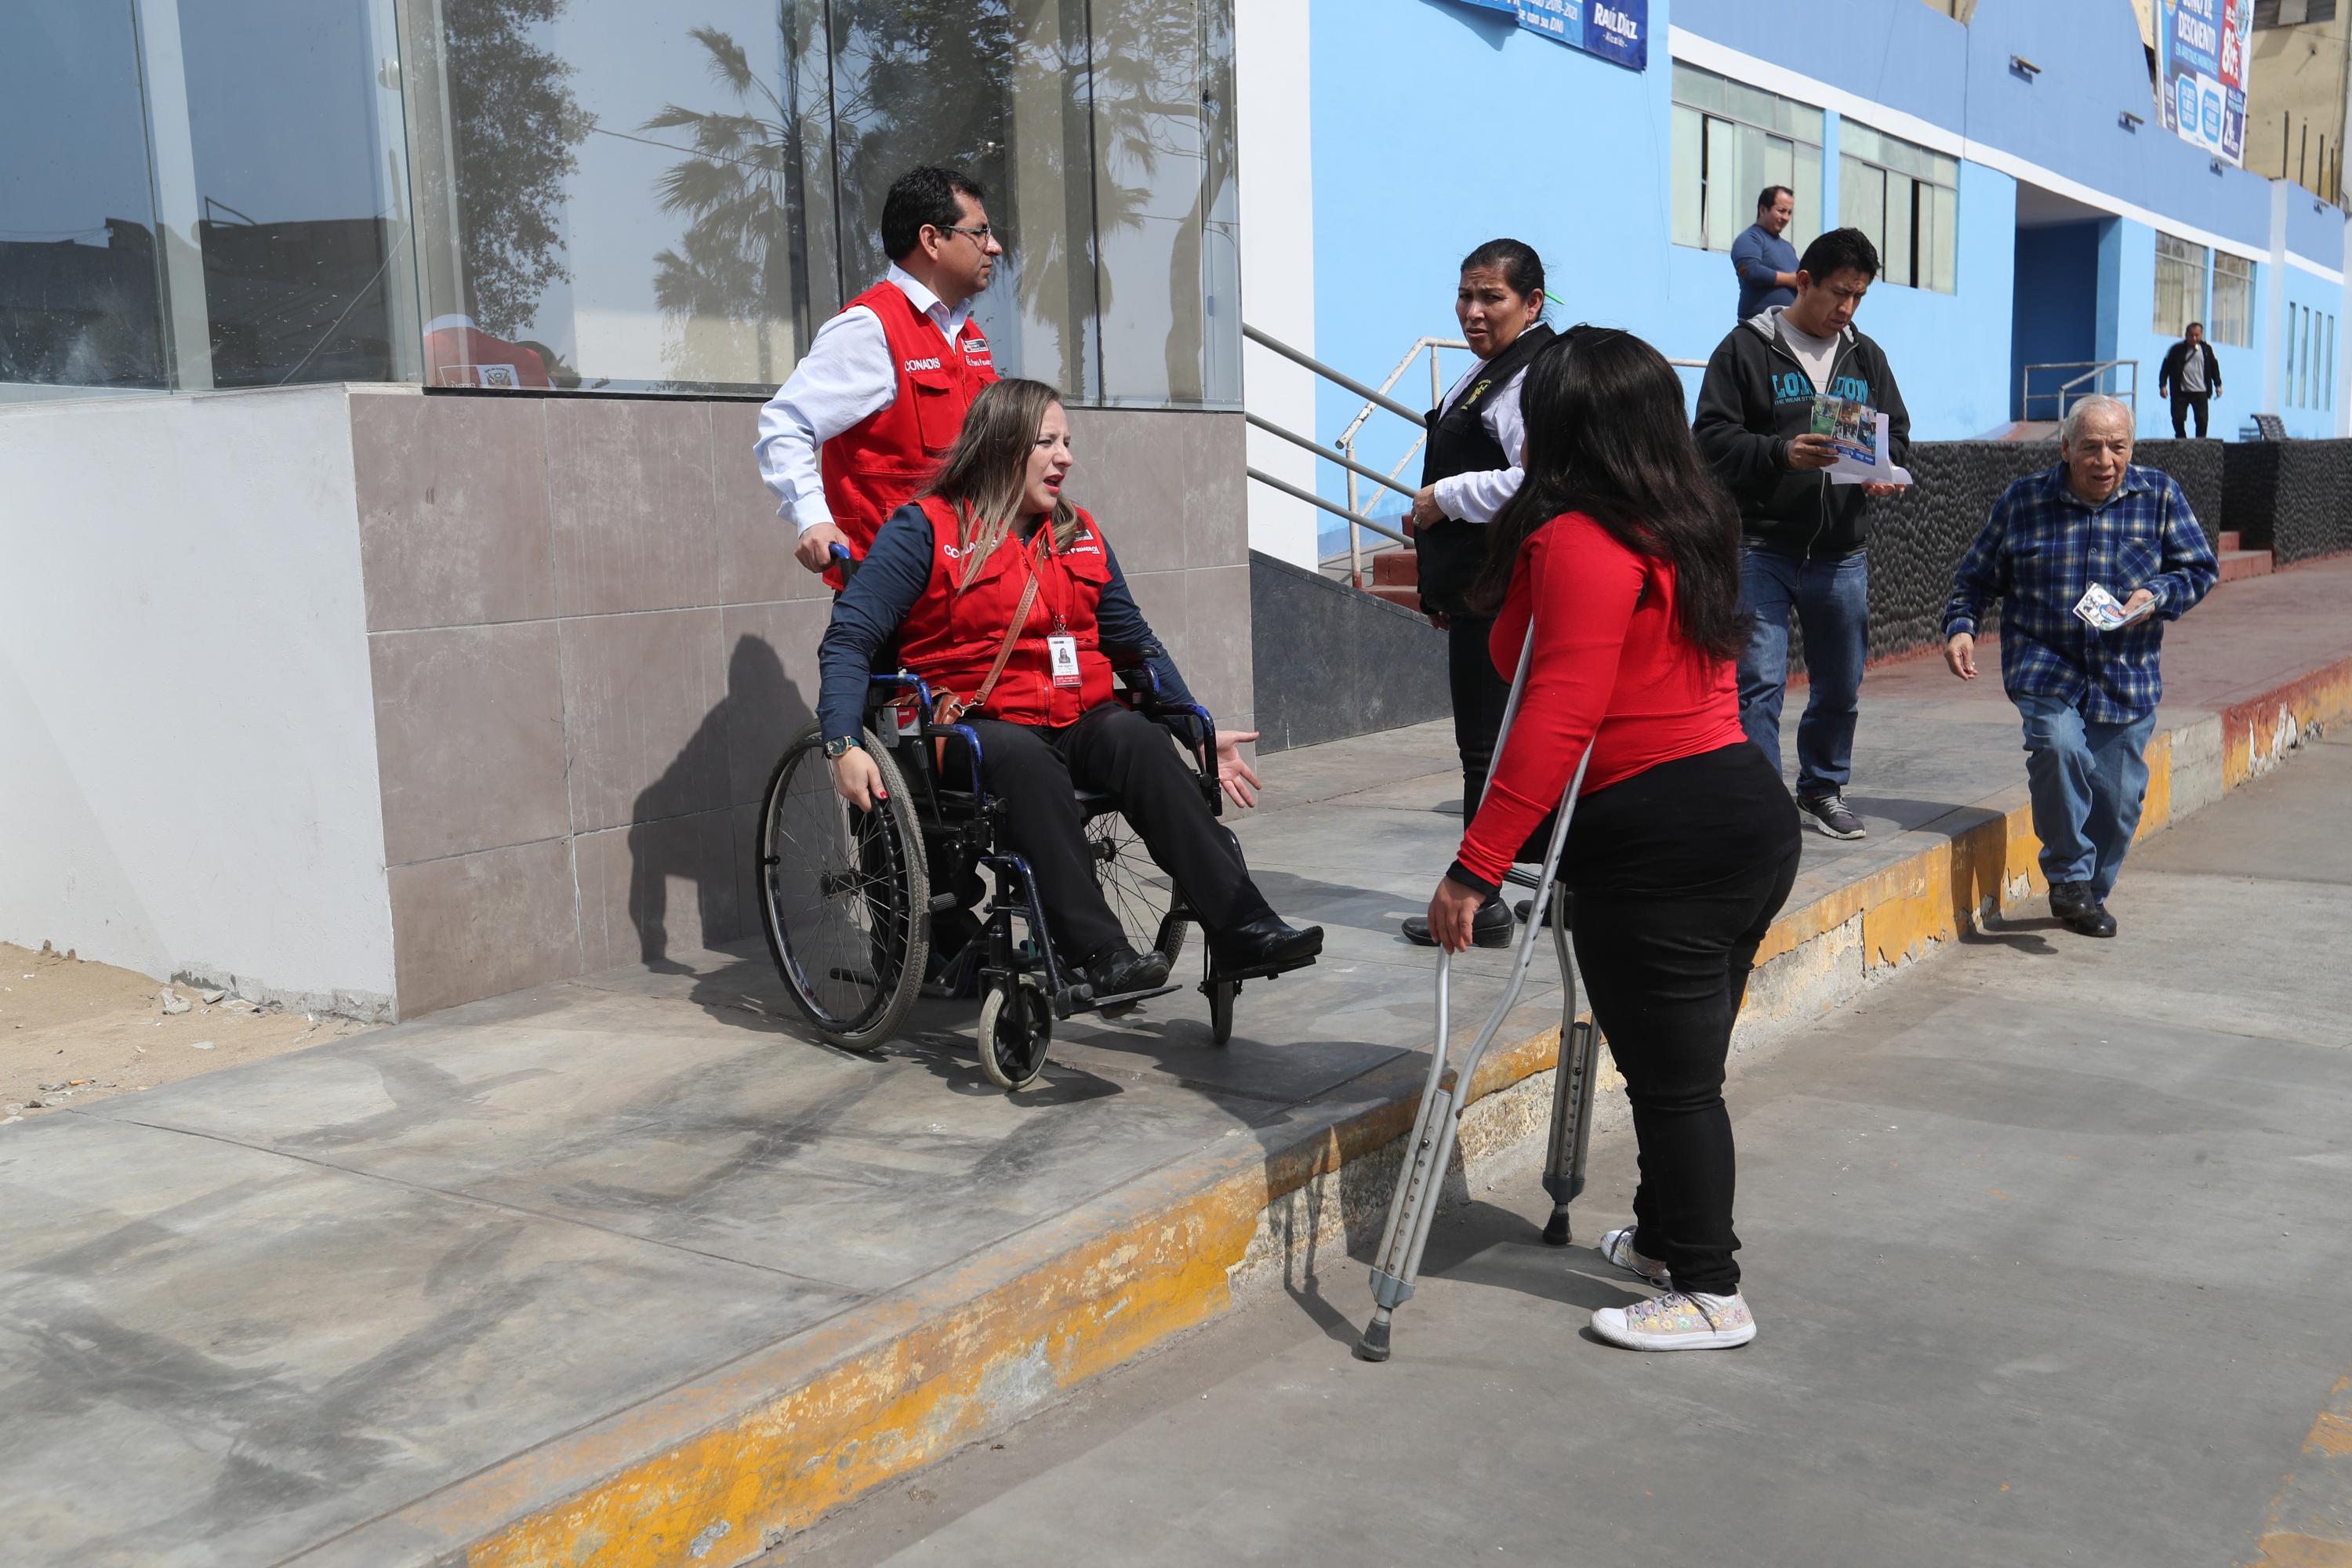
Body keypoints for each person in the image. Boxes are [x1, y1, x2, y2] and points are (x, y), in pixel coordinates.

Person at [1423, 326, 1801, 1352]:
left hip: (1658, 840)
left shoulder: (1576, 540)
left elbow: (1556, 713)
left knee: (1677, 1082)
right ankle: (1668, 1238)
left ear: (1560, 424)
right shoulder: (1695, 522)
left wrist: (1475, 868)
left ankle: (1710, 1292)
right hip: (1745, 815)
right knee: (1684, 1062)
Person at [817, 377, 1323, 996]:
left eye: (1068, 442)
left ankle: (1245, 926)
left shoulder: (1077, 532)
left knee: (1136, 740)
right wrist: (843, 744)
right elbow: (850, 640)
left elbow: (1135, 645)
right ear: (1003, 447)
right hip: (970, 727)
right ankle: (1100, 951)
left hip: (1073, 716)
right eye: (1048, 442)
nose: (1066, 457)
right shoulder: (926, 528)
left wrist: (1195, 729)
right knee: (1023, 759)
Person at [1940, 394, 2216, 938]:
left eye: (2117, 447)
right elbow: (1974, 578)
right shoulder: (2024, 501)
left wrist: (2156, 595)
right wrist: (1961, 627)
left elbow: (2199, 569)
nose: (2105, 460)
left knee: (2118, 803)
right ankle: (2068, 878)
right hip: (2046, 663)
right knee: (2058, 746)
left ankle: (2088, 890)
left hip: (2125, 672)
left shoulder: (2159, 495)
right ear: (2065, 449)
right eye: (2090, 447)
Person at [1694, 226, 1911, 842]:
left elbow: (1896, 433)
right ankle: (1761, 806)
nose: (1846, 308)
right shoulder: (1744, 349)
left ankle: (1821, 787)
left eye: (1859, 297)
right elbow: (1709, 438)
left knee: (1840, 683)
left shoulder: (1865, 356)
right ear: (1805, 282)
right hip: (1759, 543)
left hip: (1842, 552)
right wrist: (1779, 454)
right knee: (1757, 682)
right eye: (1839, 292)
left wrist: (1884, 473)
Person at [1399, 239, 1556, 949]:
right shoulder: (1489, 372)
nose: (1472, 311)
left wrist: (1444, 498)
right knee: (1504, 745)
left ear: (1533, 304)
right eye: (1466, 296)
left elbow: (1536, 480)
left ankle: (1482, 898)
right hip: (1477, 592)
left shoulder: (1527, 379)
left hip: (1505, 594)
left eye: (1491, 298)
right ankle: (1547, 887)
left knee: (1486, 752)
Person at [756, 165, 1004, 579]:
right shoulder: (870, 326)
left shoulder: (966, 333)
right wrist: (812, 516)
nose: (993, 247)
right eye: (979, 233)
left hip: (967, 584)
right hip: (892, 595)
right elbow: (785, 424)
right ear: (931, 240)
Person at [1729, 185, 1799, 322]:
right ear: (1763, 209)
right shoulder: (1750, 238)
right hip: (1759, 327)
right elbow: (1750, 271)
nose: (1786, 217)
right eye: (1781, 211)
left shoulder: (1788, 248)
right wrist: (1791, 280)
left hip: (1789, 328)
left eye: (1789, 213)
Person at [2158, 321, 2223, 439]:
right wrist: (2163, 385)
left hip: (2200, 391)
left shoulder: (2207, 349)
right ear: (2186, 335)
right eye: (2191, 335)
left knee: (2202, 419)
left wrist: (2218, 385)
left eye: (2197, 335)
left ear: (2201, 335)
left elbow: (2214, 367)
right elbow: (2165, 368)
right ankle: (2181, 441)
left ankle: (2200, 442)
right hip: (2180, 392)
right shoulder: (2176, 350)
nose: (2194, 338)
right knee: (2178, 418)